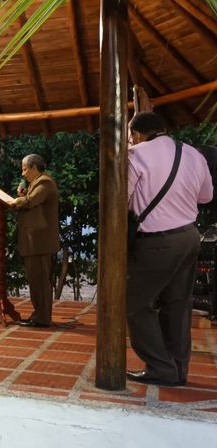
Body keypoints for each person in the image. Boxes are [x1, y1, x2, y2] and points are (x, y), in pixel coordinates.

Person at [126, 112, 212, 386]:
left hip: (158, 241)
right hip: (189, 236)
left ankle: (160, 366)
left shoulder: (135, 155)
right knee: (177, 306)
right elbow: (206, 196)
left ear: (137, 134)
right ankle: (177, 369)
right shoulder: (192, 154)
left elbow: (122, 198)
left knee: (132, 304)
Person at [9, 154, 59, 328]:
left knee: (40, 280)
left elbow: (30, 201)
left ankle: (42, 318)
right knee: (36, 279)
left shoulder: (44, 183)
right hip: (35, 241)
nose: (23, 174)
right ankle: (39, 315)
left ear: (34, 167)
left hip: (40, 242)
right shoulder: (35, 183)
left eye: (24, 169)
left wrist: (17, 200)